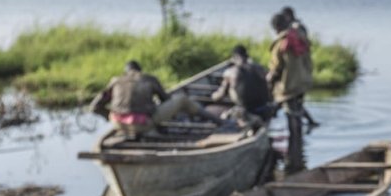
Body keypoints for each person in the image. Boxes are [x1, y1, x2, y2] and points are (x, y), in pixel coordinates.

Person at [89, 60, 221, 138]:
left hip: (117, 123)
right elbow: (165, 100)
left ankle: (129, 128)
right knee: (181, 99)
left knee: (129, 116)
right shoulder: (149, 79)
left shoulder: (115, 81)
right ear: (140, 70)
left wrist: (110, 116)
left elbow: (94, 107)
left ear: (126, 71)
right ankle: (217, 121)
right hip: (143, 124)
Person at [268, 12, 314, 171]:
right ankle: (298, 149)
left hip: (288, 85)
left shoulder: (281, 42)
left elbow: (276, 68)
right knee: (298, 111)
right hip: (303, 82)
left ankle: (294, 155)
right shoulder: (300, 36)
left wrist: (269, 81)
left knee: (291, 116)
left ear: (276, 27)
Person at [210, 44, 272, 128]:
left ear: (234, 57)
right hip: (265, 109)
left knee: (221, 115)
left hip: (246, 112)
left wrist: (212, 96)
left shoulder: (230, 72)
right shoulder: (260, 68)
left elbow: (219, 96)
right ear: (247, 56)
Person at [280, 6, 320, 129]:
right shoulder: (299, 29)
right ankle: (307, 123)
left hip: (297, 73)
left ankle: (299, 129)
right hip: (303, 70)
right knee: (297, 102)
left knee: (292, 103)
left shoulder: (293, 31)